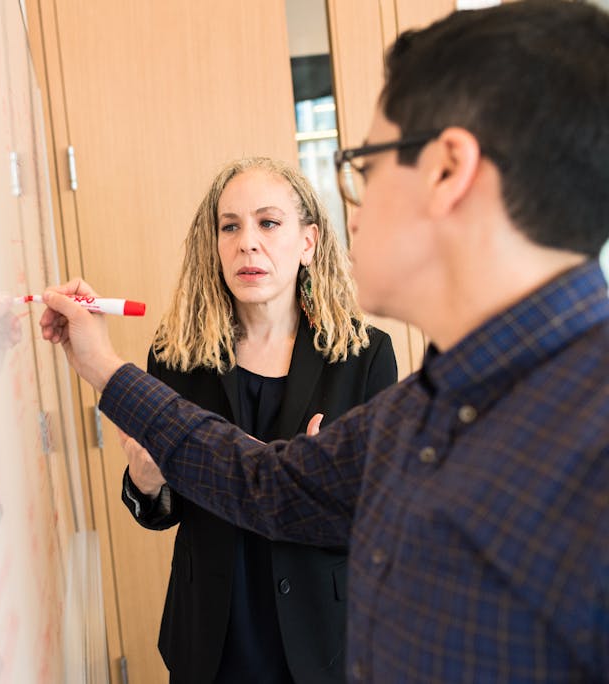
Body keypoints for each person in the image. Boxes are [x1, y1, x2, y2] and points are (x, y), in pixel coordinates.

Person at [39, 1, 609, 680]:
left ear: (447, 171)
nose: (353, 214)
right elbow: (265, 485)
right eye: (230, 226)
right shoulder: (426, 405)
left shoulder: (585, 434)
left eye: (364, 169)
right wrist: (102, 366)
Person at [119, 157, 396, 683]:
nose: (247, 243)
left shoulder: (364, 356)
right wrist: (146, 482)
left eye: (268, 223)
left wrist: (323, 484)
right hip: (210, 639)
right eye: (230, 227)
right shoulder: (175, 356)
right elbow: (158, 512)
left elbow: (382, 516)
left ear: (308, 242)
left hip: (324, 640)